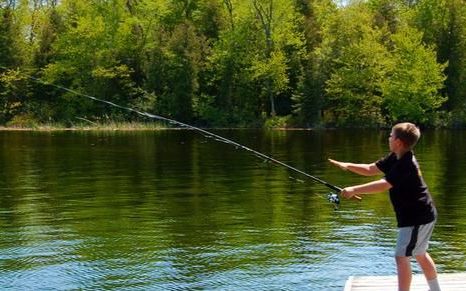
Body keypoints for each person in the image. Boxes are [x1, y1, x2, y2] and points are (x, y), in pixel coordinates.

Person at [328, 122, 440, 291]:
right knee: (419, 253)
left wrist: (353, 190)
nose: (388, 138)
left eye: (391, 135)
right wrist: (347, 165)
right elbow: (370, 169)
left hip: (416, 218)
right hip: (422, 215)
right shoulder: (396, 157)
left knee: (401, 257)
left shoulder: (406, 164)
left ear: (398, 142)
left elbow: (384, 184)